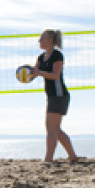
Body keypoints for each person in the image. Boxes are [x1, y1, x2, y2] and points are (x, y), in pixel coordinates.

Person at [34, 29, 79, 163]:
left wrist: (38, 72)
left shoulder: (57, 55)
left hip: (59, 95)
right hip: (51, 95)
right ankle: (73, 156)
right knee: (55, 130)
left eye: (42, 38)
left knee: (51, 129)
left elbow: (55, 75)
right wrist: (27, 74)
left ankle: (48, 159)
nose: (39, 41)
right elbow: (35, 72)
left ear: (50, 41)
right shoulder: (41, 57)